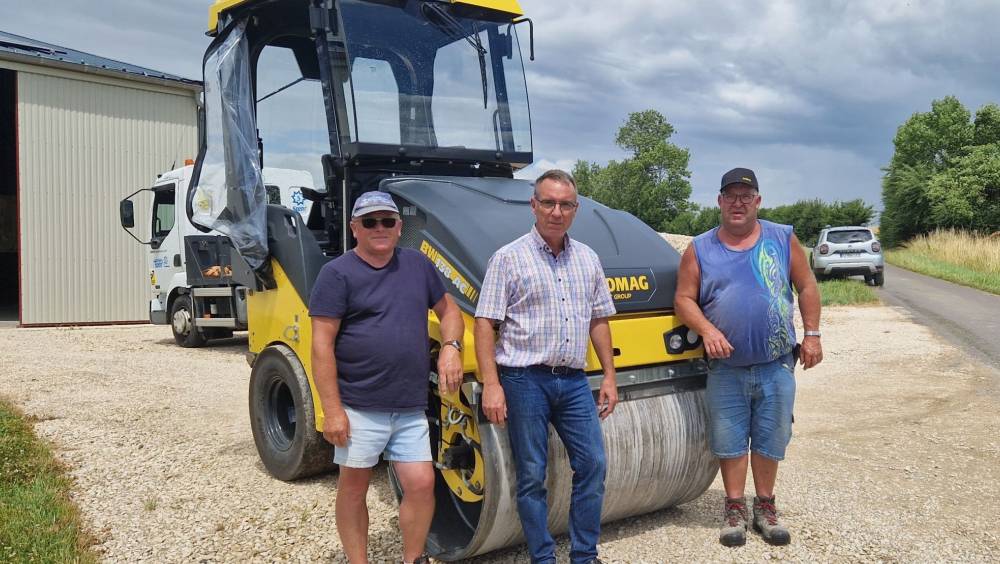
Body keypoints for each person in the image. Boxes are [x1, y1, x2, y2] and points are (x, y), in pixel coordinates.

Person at [309, 190, 464, 564]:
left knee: (422, 484)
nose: (379, 227)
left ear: (398, 227)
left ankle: (413, 558)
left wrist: (451, 347)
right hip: (358, 406)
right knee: (353, 488)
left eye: (387, 221)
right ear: (355, 228)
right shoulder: (336, 274)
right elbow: (321, 346)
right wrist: (332, 410)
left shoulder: (418, 265)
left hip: (409, 406)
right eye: (370, 221)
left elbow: (450, 312)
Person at [474, 169, 618, 564]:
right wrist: (491, 384)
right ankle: (543, 558)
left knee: (593, 465)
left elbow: (599, 320)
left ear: (576, 209)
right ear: (534, 205)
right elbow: (485, 323)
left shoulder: (587, 258)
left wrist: (609, 375)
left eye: (565, 204)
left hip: (573, 381)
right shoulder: (508, 258)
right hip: (524, 381)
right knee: (532, 474)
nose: (557, 211)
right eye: (549, 203)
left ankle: (584, 555)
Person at [674, 167, 822, 547]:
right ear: (719, 201)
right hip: (725, 367)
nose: (737, 203)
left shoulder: (782, 238)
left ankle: (765, 507)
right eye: (731, 196)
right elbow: (683, 299)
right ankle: (734, 509)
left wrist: (812, 335)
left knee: (771, 436)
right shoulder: (700, 248)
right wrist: (708, 331)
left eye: (745, 196)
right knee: (730, 438)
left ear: (757, 201)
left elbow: (806, 285)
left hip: (776, 363)